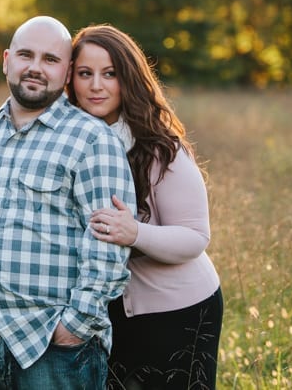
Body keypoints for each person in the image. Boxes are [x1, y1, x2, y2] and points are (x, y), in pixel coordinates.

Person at [0, 16, 138, 389]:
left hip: (54, 346)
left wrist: (74, 326)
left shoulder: (92, 141)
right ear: (7, 59)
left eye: (50, 59)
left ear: (66, 72)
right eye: (26, 55)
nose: (35, 67)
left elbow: (107, 243)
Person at [66, 24, 223, 389]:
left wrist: (135, 232)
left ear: (129, 79)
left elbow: (195, 237)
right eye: (84, 74)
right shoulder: (66, 146)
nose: (96, 86)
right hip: (109, 315)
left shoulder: (160, 149)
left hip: (179, 311)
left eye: (110, 74)